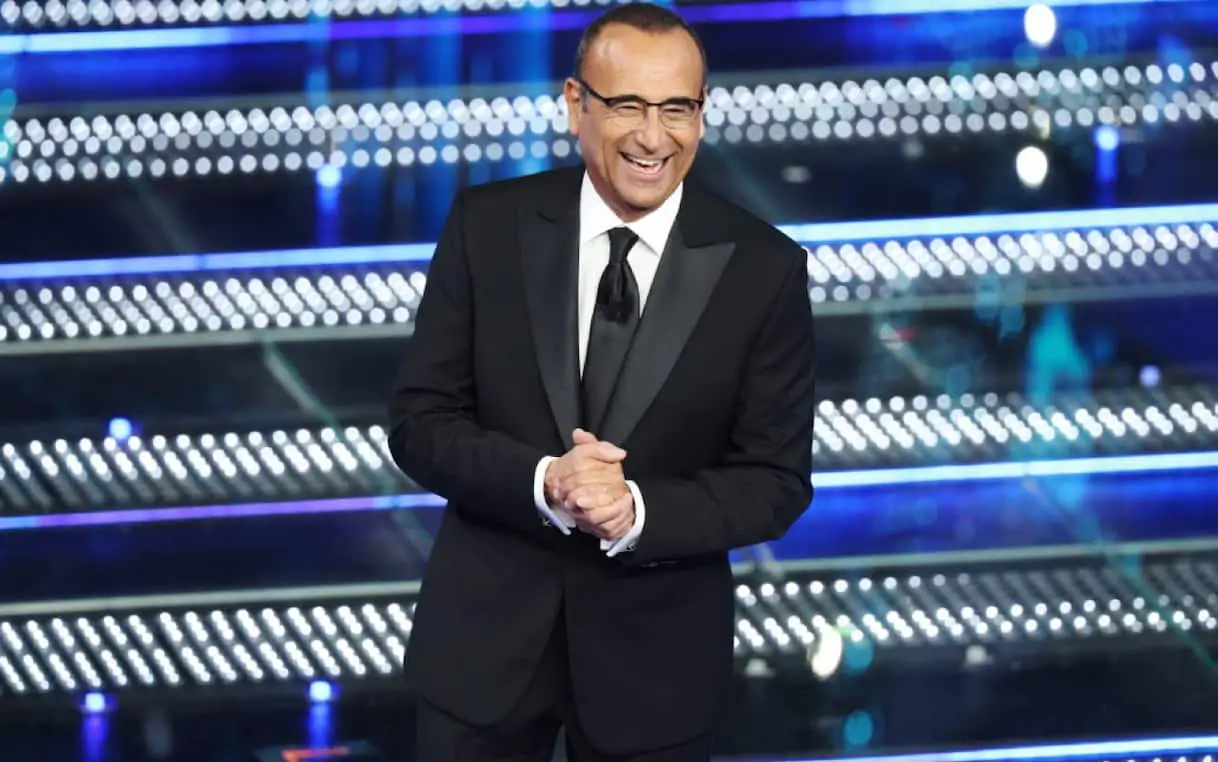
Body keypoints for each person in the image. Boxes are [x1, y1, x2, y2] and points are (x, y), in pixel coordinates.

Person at [387, 4, 816, 761]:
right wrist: (545, 481)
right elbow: (421, 423)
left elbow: (775, 482)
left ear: (702, 114)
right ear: (575, 105)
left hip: (656, 671)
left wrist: (638, 510)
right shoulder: (487, 226)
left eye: (676, 109)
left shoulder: (764, 269)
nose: (653, 137)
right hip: (482, 655)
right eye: (627, 106)